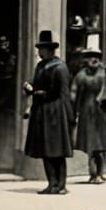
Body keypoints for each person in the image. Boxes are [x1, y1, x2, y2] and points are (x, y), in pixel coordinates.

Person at [23, 30, 74, 195]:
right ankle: (52, 183)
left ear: (49, 50)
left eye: (42, 48)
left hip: (55, 111)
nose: (39, 51)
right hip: (42, 111)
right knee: (46, 149)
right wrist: (30, 87)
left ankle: (61, 184)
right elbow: (37, 84)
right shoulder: (40, 66)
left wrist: (37, 92)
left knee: (56, 150)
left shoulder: (59, 68)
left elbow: (60, 91)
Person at [72, 48, 106, 184]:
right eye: (90, 57)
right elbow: (73, 93)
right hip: (87, 111)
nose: (94, 59)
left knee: (101, 143)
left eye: (96, 56)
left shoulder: (105, 74)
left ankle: (100, 173)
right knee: (91, 143)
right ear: (85, 60)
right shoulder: (81, 75)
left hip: (102, 111)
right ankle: (93, 173)